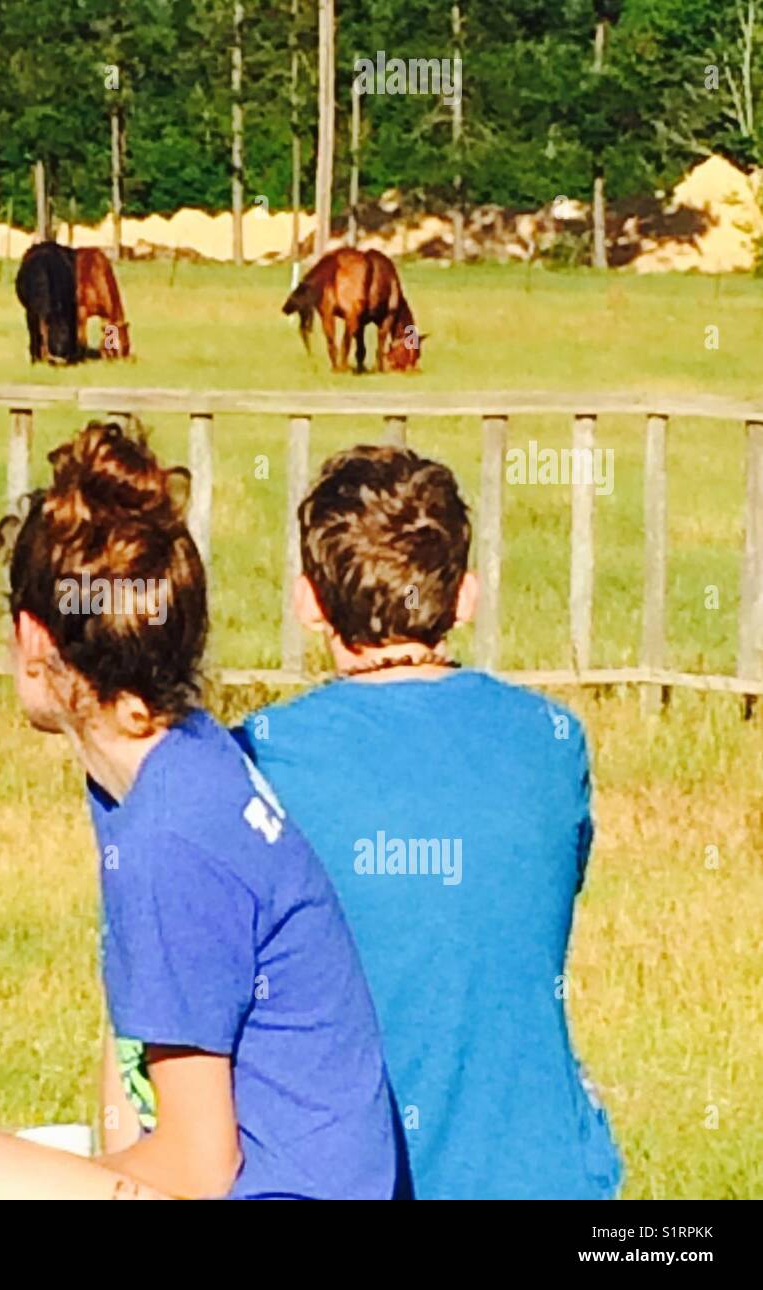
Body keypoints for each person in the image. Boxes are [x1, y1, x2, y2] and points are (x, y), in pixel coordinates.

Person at [0, 422, 406, 1200]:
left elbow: (197, 1165)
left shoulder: (172, 830)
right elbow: (146, 1079)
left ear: (32, 638)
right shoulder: (179, 764)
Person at [238, 444, 623, 1200]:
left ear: (308, 601)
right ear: (466, 596)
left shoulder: (257, 761)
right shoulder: (550, 742)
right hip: (544, 1175)